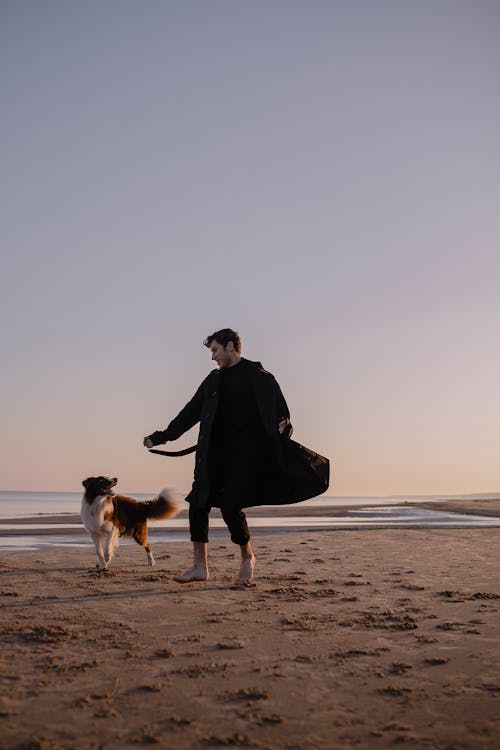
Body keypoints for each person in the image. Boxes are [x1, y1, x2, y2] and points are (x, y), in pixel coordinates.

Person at [144, 328, 329, 587]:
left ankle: (247, 557)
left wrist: (284, 427)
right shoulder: (212, 381)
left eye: (215, 350)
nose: (213, 357)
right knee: (198, 504)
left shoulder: (261, 378)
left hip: (245, 456)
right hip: (212, 454)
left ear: (231, 346)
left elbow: (282, 415)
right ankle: (199, 566)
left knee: (231, 507)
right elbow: (189, 413)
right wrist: (162, 436)